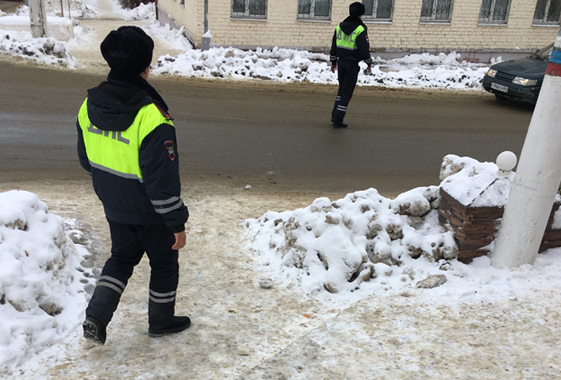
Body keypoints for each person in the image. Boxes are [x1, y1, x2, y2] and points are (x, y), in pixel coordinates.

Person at [76, 26, 190, 345]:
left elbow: (87, 161)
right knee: (164, 263)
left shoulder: (89, 107)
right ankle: (161, 321)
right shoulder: (152, 118)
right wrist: (176, 223)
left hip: (115, 207)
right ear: (145, 68)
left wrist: (115, 188)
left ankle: (95, 318)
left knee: (121, 261)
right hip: (152, 214)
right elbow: (162, 183)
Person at [330, 2, 373, 128]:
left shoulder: (339, 27)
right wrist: (369, 62)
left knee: (341, 90)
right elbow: (364, 50)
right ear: (361, 13)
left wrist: (333, 62)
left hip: (341, 63)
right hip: (352, 65)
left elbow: (334, 47)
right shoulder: (360, 29)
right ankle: (338, 119)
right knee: (347, 92)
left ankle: (334, 115)